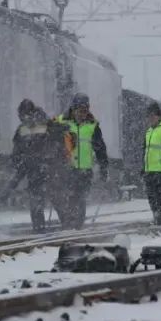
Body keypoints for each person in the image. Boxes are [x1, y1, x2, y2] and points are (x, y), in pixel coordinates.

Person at [5, 99, 69, 231]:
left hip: (48, 169)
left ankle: (65, 227)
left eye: (24, 115)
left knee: (51, 199)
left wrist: (55, 161)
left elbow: (60, 143)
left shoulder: (46, 125)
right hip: (37, 171)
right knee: (43, 202)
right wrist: (18, 164)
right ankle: (46, 230)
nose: (23, 118)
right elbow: (17, 152)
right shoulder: (25, 129)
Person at [55, 93, 109, 229]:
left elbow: (101, 149)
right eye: (80, 110)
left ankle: (77, 226)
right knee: (67, 197)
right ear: (73, 109)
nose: (82, 114)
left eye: (85, 110)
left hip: (85, 170)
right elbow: (51, 137)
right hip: (66, 168)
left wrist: (104, 168)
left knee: (80, 198)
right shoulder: (61, 122)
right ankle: (67, 224)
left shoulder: (93, 126)